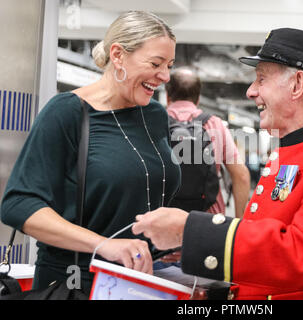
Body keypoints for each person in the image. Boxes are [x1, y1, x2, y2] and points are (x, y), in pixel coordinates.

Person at [132, 28, 303, 300]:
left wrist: (188, 230)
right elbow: (265, 246)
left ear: (297, 85)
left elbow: (298, 255)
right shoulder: (288, 151)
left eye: (261, 79)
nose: (251, 91)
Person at [0, 11, 179, 293]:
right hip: (75, 283)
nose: (165, 76)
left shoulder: (154, 115)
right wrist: (103, 244)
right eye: (156, 63)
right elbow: (18, 205)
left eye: (169, 65)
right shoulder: (67, 113)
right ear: (118, 55)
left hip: (140, 280)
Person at [165, 67, 250, 218]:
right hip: (208, 219)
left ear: (167, 96)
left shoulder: (155, 122)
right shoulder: (214, 124)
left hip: (164, 220)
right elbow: (241, 175)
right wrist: (239, 223)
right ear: (198, 98)